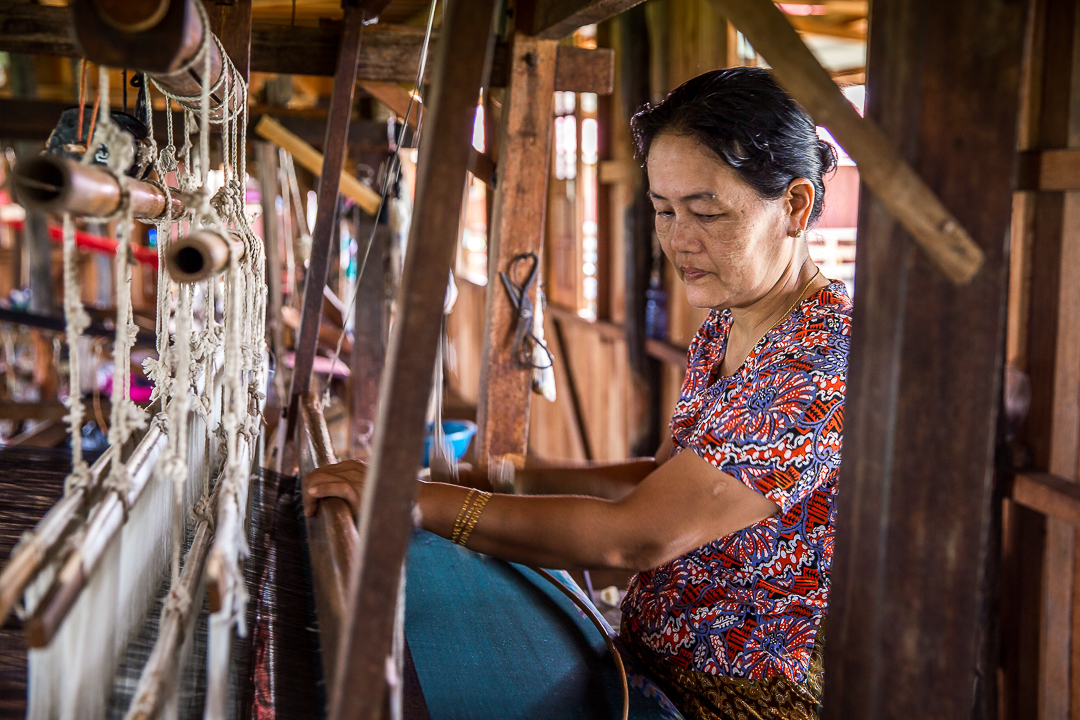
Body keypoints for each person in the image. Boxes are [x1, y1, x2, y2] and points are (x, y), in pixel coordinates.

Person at [303, 67, 850, 720]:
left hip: (738, 699)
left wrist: (411, 500)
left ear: (795, 206)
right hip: (654, 662)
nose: (679, 240)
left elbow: (635, 539)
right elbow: (661, 480)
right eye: (664, 210)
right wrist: (512, 478)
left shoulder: (818, 360)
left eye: (707, 212)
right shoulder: (729, 323)